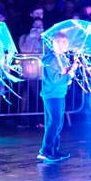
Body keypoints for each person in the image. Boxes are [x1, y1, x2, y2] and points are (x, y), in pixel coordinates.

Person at [39, 33, 73, 162]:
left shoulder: (61, 58)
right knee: (54, 123)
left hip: (58, 93)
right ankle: (46, 151)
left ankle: (54, 150)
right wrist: (69, 75)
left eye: (66, 42)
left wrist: (71, 70)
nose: (65, 45)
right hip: (52, 94)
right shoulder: (52, 59)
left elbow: (63, 74)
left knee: (57, 123)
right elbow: (55, 80)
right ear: (55, 44)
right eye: (62, 42)